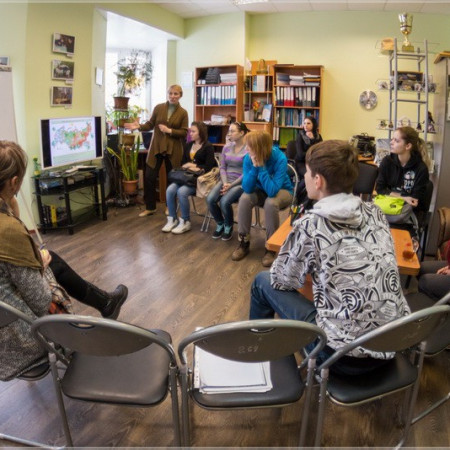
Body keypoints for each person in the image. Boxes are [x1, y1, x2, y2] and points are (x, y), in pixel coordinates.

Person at [249, 140, 410, 375]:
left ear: (318, 180)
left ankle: (259, 360)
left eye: (307, 172)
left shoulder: (311, 225)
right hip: (391, 344)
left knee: (262, 282)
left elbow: (281, 281)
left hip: (340, 358)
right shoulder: (375, 212)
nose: (303, 177)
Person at [0, 140, 128, 381]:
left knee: (49, 258)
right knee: (51, 261)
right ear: (14, 183)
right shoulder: (8, 233)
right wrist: (42, 266)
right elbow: (40, 301)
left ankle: (106, 302)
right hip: (19, 342)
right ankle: (106, 303)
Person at [125, 84, 188, 217]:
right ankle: (150, 207)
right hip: (157, 147)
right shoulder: (159, 108)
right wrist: (139, 126)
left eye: (176, 94)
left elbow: (184, 132)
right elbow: (150, 124)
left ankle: (169, 206)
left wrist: (169, 130)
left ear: (180, 95)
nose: (172, 96)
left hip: (173, 149)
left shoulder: (183, 112)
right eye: (170, 93)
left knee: (172, 179)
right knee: (149, 177)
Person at [231, 130, 293, 267]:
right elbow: (247, 188)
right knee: (245, 198)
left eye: (249, 146)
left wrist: (262, 168)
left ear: (260, 148)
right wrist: (254, 168)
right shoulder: (248, 158)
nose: (246, 149)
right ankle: (244, 241)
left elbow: (272, 191)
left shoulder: (280, 158)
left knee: (270, 203)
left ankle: (271, 247)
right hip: (261, 190)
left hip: (283, 191)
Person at [162, 121, 216, 234]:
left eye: (193, 131)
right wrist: (189, 166)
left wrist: (193, 165)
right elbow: (183, 163)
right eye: (190, 131)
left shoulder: (208, 147)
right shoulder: (188, 145)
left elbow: (209, 167)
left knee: (182, 192)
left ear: (200, 132)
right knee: (170, 190)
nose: (190, 133)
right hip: (185, 177)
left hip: (199, 180)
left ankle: (186, 221)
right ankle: (172, 219)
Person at [376, 126, 430, 224]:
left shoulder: (421, 169)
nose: (391, 142)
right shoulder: (387, 162)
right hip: (386, 210)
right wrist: (403, 197)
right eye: (392, 139)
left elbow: (414, 201)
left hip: (407, 216)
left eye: (396, 140)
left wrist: (391, 194)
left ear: (408, 146)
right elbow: (380, 189)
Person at [206, 121, 249, 241]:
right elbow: (222, 167)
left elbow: (247, 173)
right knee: (210, 199)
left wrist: (231, 185)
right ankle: (220, 223)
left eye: (232, 131)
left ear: (242, 133)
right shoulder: (226, 147)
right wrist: (225, 183)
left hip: (240, 182)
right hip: (226, 180)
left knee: (224, 201)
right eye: (229, 130)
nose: (229, 133)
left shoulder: (248, 149)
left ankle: (229, 225)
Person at [286, 116, 322, 203]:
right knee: (309, 175)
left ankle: (312, 199)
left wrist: (312, 139)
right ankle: (295, 195)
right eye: (304, 123)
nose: (305, 125)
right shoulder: (300, 136)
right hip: (301, 163)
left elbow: (321, 151)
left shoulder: (318, 136)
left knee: (321, 175)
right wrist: (313, 152)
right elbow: (301, 155)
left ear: (314, 125)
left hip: (313, 163)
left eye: (308, 123)